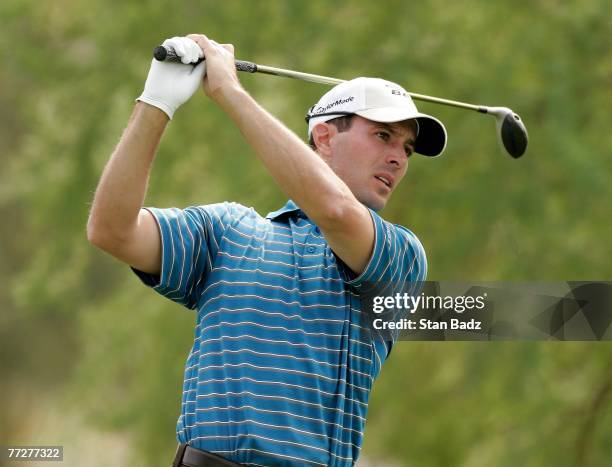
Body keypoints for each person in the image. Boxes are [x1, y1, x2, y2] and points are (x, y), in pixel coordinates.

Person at [87, 34, 447, 467]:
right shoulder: (227, 231)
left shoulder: (401, 254)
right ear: (325, 137)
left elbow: (334, 209)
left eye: (406, 149)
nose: (398, 159)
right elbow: (111, 229)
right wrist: (156, 102)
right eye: (384, 136)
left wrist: (229, 93)